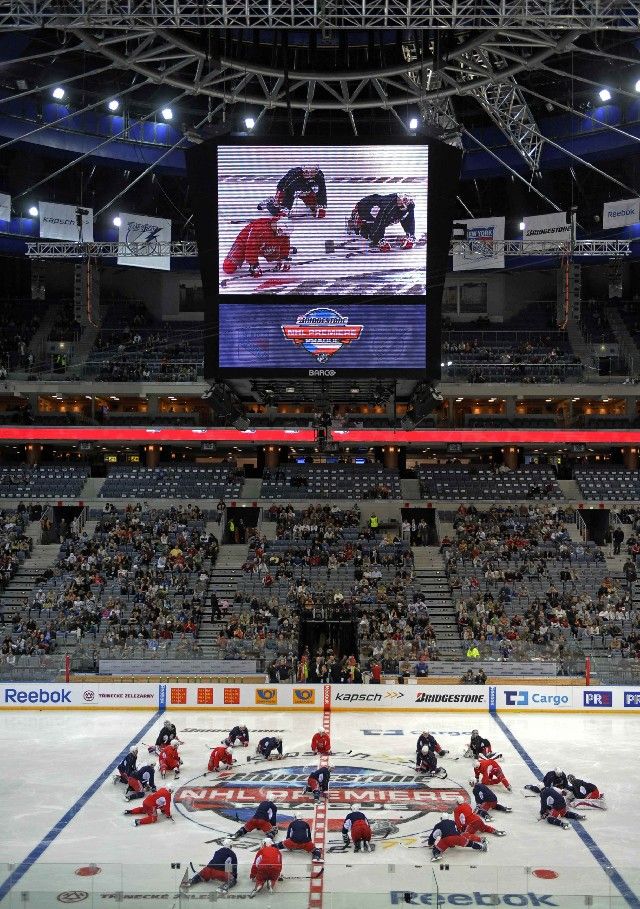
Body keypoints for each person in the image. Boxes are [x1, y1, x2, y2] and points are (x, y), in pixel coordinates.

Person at [223, 217, 294, 278]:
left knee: (273, 254)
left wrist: (284, 258)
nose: (282, 235)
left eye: (284, 234)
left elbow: (285, 243)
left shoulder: (282, 233)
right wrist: (253, 265)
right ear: (279, 227)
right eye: (282, 233)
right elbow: (251, 247)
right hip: (244, 242)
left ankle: (270, 255)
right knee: (228, 267)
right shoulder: (260, 229)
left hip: (263, 244)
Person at [347, 193, 416, 251]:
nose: (399, 200)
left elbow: (409, 220)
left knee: (380, 221)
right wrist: (379, 239)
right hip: (366, 206)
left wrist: (411, 234)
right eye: (399, 198)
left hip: (377, 207)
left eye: (403, 200)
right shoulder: (387, 206)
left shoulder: (408, 207)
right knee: (366, 229)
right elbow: (379, 223)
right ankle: (356, 219)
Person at [258, 165, 327, 218]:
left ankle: (313, 207)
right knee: (280, 214)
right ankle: (269, 202)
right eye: (306, 172)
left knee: (318, 212)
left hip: (306, 190)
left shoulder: (319, 176)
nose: (309, 174)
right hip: (286, 189)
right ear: (303, 170)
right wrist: (285, 207)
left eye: (313, 172)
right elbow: (286, 191)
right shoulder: (294, 175)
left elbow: (322, 191)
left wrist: (322, 205)